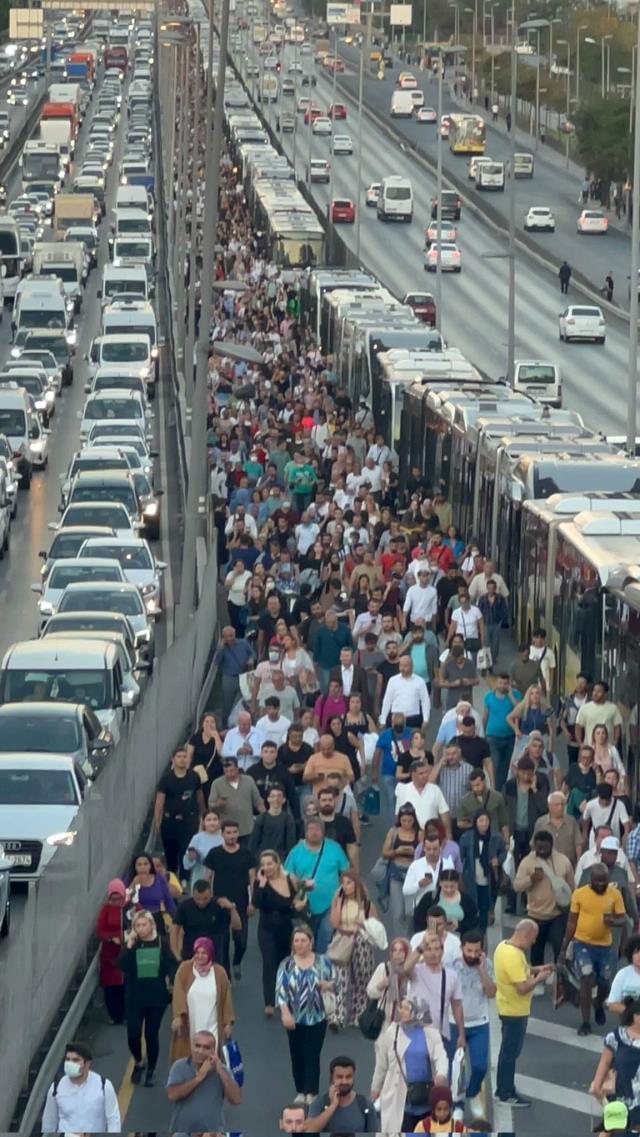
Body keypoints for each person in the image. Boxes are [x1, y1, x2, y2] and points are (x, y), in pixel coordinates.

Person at [559, 863, 626, 1035]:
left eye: (604, 881)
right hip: (583, 944)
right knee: (586, 978)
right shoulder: (580, 894)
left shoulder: (615, 894)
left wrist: (613, 921)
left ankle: (598, 1003)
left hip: (605, 946)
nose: (601, 884)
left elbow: (622, 919)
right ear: (591, 879)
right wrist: (564, 947)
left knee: (605, 983)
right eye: (597, 881)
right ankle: (585, 1022)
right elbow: (572, 922)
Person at [494, 918, 554, 1106]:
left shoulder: (504, 948)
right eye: (533, 938)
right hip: (514, 1010)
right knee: (510, 1053)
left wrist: (536, 969)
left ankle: (505, 1087)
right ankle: (505, 1093)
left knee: (508, 1052)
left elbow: (523, 970)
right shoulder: (513, 955)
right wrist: (540, 978)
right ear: (526, 934)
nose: (534, 942)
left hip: (509, 1008)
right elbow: (522, 987)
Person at [117, 909, 178, 1086]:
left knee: (151, 1034)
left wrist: (173, 981)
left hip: (156, 996)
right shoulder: (133, 944)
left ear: (152, 925)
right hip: (134, 996)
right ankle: (138, 1061)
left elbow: (172, 965)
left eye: (144, 924)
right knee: (133, 1032)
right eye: (137, 925)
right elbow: (121, 965)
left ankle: (151, 1070)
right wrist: (128, 946)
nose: (141, 928)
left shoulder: (161, 942)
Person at [276, 924, 335, 1105]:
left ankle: (312, 1091)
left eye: (303, 940)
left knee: (312, 1053)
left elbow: (336, 981)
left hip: (317, 1017)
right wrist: (285, 1013)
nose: (300, 944)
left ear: (311, 942)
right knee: (297, 1054)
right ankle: (300, 1089)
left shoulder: (323, 962)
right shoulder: (286, 964)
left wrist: (328, 985)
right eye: (296, 941)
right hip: (295, 1018)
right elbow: (280, 991)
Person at [370, 996, 448, 1133]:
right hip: (399, 1096)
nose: (402, 1011)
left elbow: (440, 1056)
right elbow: (382, 1063)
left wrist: (441, 1074)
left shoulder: (431, 1033)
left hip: (425, 1096)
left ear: (418, 1011)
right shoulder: (392, 1032)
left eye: (407, 1008)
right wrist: (376, 1087)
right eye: (401, 1007)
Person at [447, 930, 497, 1121]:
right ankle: (457, 1103)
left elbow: (491, 993)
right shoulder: (451, 967)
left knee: (479, 1067)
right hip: (454, 1023)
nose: (473, 955)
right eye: (469, 951)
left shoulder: (487, 965)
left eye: (477, 951)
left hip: (479, 1023)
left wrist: (482, 971)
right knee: (455, 1069)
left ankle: (473, 1091)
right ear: (462, 949)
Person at [253, 848, 307, 1015]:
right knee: (269, 963)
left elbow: (297, 902)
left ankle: (285, 997)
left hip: (286, 927)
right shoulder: (260, 882)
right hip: (267, 928)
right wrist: (261, 884)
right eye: (263, 864)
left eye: (270, 863)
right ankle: (269, 1002)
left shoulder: (290, 879)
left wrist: (301, 905)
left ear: (277, 864)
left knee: (286, 964)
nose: (266, 867)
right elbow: (256, 903)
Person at [285, 818, 350, 953]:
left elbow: (346, 872)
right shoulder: (296, 852)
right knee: (306, 936)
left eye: (317, 829)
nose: (314, 833)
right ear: (305, 832)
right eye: (311, 829)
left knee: (326, 932)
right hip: (305, 906)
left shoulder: (334, 848)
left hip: (331, 903)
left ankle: (321, 963)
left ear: (323, 831)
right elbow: (288, 876)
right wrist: (301, 885)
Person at [514, 829, 574, 972]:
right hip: (536, 915)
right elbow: (516, 886)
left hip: (558, 914)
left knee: (560, 949)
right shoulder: (527, 862)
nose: (541, 851)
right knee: (536, 950)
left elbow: (572, 886)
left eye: (544, 848)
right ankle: (538, 979)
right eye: (538, 847)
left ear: (551, 845)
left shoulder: (563, 860)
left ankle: (559, 981)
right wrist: (531, 879)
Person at [204, 820, 256, 980]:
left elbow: (253, 877)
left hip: (241, 903)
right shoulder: (215, 853)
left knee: (241, 941)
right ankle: (226, 977)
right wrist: (208, 899)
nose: (232, 836)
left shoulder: (246, 854)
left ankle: (237, 962)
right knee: (223, 942)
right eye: (228, 832)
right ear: (222, 833)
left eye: (234, 832)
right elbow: (208, 877)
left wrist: (252, 902)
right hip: (220, 902)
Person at [170, 937, 235, 1060]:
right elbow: (178, 993)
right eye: (197, 952)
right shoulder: (185, 969)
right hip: (191, 1024)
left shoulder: (219, 973)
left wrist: (228, 1023)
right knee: (189, 1058)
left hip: (212, 1025)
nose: (200, 956)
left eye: (204, 953)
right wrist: (178, 1016)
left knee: (212, 1059)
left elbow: (226, 999)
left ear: (210, 954)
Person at [166, 1030, 242, 1133]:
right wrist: (198, 1078)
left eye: (206, 1048)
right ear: (191, 1047)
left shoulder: (222, 1070)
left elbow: (236, 1099)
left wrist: (220, 1071)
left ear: (213, 1050)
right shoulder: (179, 1066)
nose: (201, 1051)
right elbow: (172, 1095)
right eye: (197, 1046)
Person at [329, 871, 378, 1030]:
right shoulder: (339, 901)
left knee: (361, 978)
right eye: (343, 883)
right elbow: (334, 923)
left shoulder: (367, 903)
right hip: (342, 939)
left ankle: (358, 1014)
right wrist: (338, 902)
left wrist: (364, 926)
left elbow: (375, 926)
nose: (345, 886)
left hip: (361, 941)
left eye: (349, 883)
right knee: (340, 979)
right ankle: (337, 1016)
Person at [41, 1041, 121, 1133]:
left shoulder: (104, 1086)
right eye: (67, 1059)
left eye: (75, 1060)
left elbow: (113, 1120)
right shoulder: (56, 1087)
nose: (70, 1063)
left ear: (87, 1064)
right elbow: (49, 1122)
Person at [404, 930, 466, 1044]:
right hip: (417, 1032)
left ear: (442, 952)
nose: (433, 953)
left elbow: (457, 1006)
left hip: (440, 1034)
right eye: (429, 949)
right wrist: (421, 946)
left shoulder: (452, 975)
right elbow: (406, 969)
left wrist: (461, 1034)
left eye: (437, 949)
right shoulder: (417, 971)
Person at [153, 747, 205, 874]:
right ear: (173, 759)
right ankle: (172, 880)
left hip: (189, 821)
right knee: (170, 853)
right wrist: (157, 822)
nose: (182, 759)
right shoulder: (166, 778)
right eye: (179, 756)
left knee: (186, 852)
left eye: (184, 756)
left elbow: (200, 797)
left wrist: (203, 816)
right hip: (170, 821)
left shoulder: (194, 777)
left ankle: (185, 880)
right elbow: (160, 802)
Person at [170, 878, 238, 972]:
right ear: (192, 894)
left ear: (210, 895)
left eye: (205, 899)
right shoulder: (185, 906)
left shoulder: (218, 904)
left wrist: (232, 908)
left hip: (214, 954)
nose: (201, 902)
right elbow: (174, 930)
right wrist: (176, 954)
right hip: (191, 953)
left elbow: (237, 926)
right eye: (198, 899)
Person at [591, 998, 640, 1127]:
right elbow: (605, 1061)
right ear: (636, 1017)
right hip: (621, 1095)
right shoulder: (617, 1037)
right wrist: (597, 1083)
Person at [459, 809, 507, 934]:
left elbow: (503, 852)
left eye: (486, 820)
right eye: (481, 820)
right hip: (472, 880)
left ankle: (482, 936)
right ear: (476, 822)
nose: (484, 824)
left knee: (484, 910)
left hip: (489, 880)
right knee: (471, 909)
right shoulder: (467, 837)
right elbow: (461, 857)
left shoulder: (496, 837)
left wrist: (498, 860)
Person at [306, 1055, 379, 1132]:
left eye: (348, 1077)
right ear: (331, 1078)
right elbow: (309, 1130)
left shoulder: (366, 1105)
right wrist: (332, 1106)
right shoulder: (319, 1103)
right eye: (339, 1077)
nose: (344, 1081)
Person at [366, 938, 411, 1057]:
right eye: (394, 950)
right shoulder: (384, 968)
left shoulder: (412, 972)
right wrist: (381, 985)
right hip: (385, 1024)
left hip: (405, 1026)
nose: (397, 954)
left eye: (401, 951)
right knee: (382, 1065)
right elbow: (370, 992)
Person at [382, 804, 423, 929]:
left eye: (409, 821)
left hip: (412, 874)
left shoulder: (419, 833)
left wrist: (414, 852)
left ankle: (409, 939)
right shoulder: (393, 832)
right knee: (398, 913)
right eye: (403, 820)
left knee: (410, 912)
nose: (406, 823)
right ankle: (398, 941)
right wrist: (397, 851)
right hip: (396, 874)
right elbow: (384, 853)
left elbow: (423, 854)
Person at [208, 755, 265, 842]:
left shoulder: (248, 780)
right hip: (227, 831)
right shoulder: (217, 784)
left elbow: (258, 801)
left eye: (231, 771)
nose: (229, 774)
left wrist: (266, 817)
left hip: (247, 829)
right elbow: (211, 805)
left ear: (238, 769)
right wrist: (218, 805)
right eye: (226, 771)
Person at [96, 879, 128, 1024]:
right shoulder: (106, 910)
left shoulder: (130, 909)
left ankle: (125, 1014)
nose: (116, 902)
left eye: (119, 898)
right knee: (111, 987)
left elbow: (139, 922)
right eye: (113, 898)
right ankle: (114, 1016)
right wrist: (110, 938)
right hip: (110, 954)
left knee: (125, 986)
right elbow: (100, 930)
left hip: (126, 951)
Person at [213, 625, 255, 726]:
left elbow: (252, 653)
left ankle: (248, 722)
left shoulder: (243, 643)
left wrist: (251, 658)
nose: (230, 638)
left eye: (231, 636)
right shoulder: (222, 648)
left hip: (244, 676)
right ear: (223, 637)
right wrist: (220, 649)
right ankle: (225, 725)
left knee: (246, 699)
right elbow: (216, 662)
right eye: (227, 636)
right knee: (227, 703)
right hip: (229, 678)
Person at [127, 851, 177, 933]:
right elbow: (125, 900)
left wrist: (177, 921)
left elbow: (168, 901)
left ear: (150, 865)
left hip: (156, 919)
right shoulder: (132, 880)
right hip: (139, 921)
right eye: (139, 865)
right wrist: (134, 883)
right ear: (135, 867)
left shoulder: (159, 879)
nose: (143, 867)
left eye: (145, 864)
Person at [395, 758, 451, 832]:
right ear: (412, 775)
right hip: (410, 835)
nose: (425, 775)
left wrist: (448, 834)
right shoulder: (403, 790)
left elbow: (444, 814)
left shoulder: (435, 789)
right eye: (421, 773)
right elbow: (398, 815)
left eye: (426, 772)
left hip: (431, 834)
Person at [379, 654, 431, 728]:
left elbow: (425, 701)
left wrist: (426, 720)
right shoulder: (393, 680)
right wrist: (383, 720)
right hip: (395, 719)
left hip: (414, 719)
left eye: (405, 666)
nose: (402, 668)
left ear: (412, 666)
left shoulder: (420, 681)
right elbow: (387, 700)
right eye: (401, 665)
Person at [533, 791, 583, 867]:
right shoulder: (541, 823)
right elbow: (534, 845)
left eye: (562, 804)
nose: (560, 808)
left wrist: (579, 862)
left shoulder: (571, 821)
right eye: (557, 805)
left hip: (568, 865)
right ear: (549, 806)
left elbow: (578, 843)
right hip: (546, 865)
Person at [186, 712, 224, 802]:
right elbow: (189, 755)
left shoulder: (219, 737)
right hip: (198, 773)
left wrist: (216, 736)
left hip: (214, 774)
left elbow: (221, 753)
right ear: (202, 724)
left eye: (212, 722)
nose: (209, 724)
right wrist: (187, 771)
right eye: (206, 721)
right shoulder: (196, 737)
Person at [183, 810, 224, 888]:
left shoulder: (223, 837)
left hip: (220, 876)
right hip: (200, 874)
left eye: (215, 819)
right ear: (204, 822)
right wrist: (192, 857)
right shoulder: (197, 838)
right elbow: (187, 861)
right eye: (209, 820)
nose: (212, 822)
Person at [607, 935, 640, 1014]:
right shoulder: (623, 974)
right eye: (636, 952)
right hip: (629, 1024)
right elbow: (612, 1004)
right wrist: (633, 1013)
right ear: (630, 954)